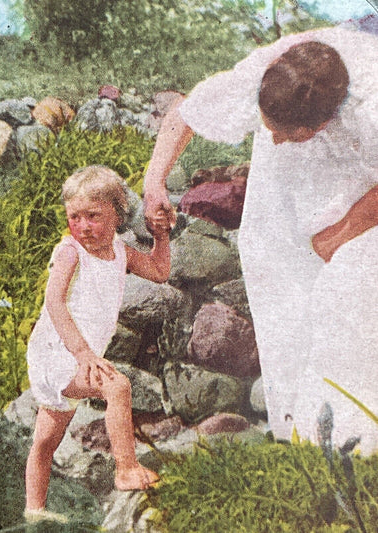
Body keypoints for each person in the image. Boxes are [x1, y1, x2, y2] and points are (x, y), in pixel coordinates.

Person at [143, 26, 378, 454]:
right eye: (267, 126)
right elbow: (185, 112)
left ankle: (357, 442)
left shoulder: (371, 104)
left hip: (365, 184)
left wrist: (341, 234)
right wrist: (154, 181)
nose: (271, 136)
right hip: (290, 179)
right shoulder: (271, 72)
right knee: (275, 277)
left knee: (348, 294)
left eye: (283, 132)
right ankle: (299, 434)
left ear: (322, 123)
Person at [24, 165, 171, 523]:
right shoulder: (70, 252)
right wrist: (83, 353)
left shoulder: (121, 252)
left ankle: (34, 511)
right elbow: (54, 302)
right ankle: (126, 469)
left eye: (93, 216)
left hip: (77, 357)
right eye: (75, 217)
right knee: (118, 387)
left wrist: (162, 237)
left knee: (46, 440)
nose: (84, 226)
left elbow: (160, 272)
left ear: (117, 215)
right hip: (58, 353)